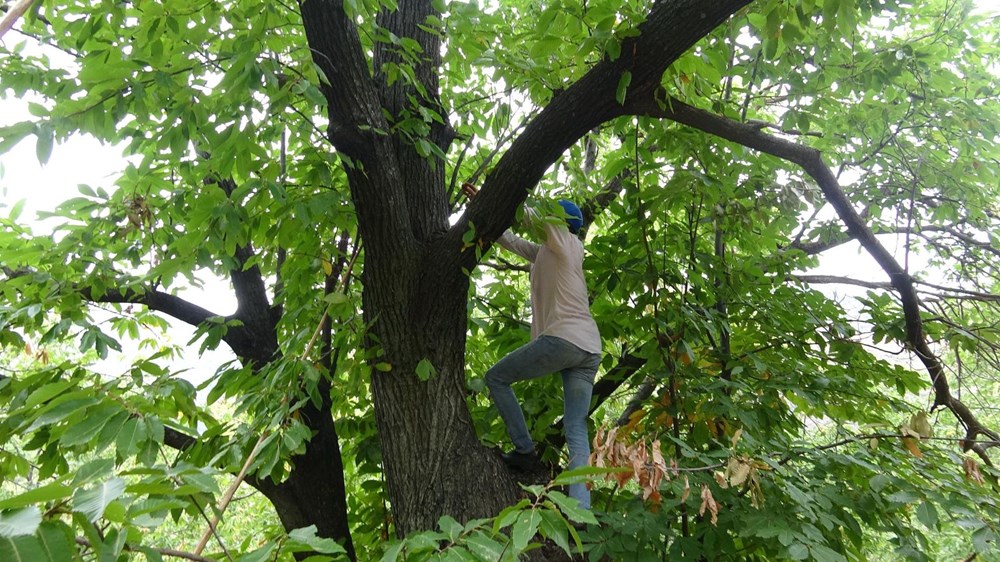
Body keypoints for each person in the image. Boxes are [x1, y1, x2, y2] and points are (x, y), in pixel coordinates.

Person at [462, 183, 602, 510]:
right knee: (575, 429)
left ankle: (524, 451)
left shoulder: (566, 241)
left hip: (564, 339)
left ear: (559, 222)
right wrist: (484, 209)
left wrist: (492, 194)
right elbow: (511, 240)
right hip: (588, 349)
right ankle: (581, 512)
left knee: (496, 378)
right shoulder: (548, 252)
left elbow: (531, 219)